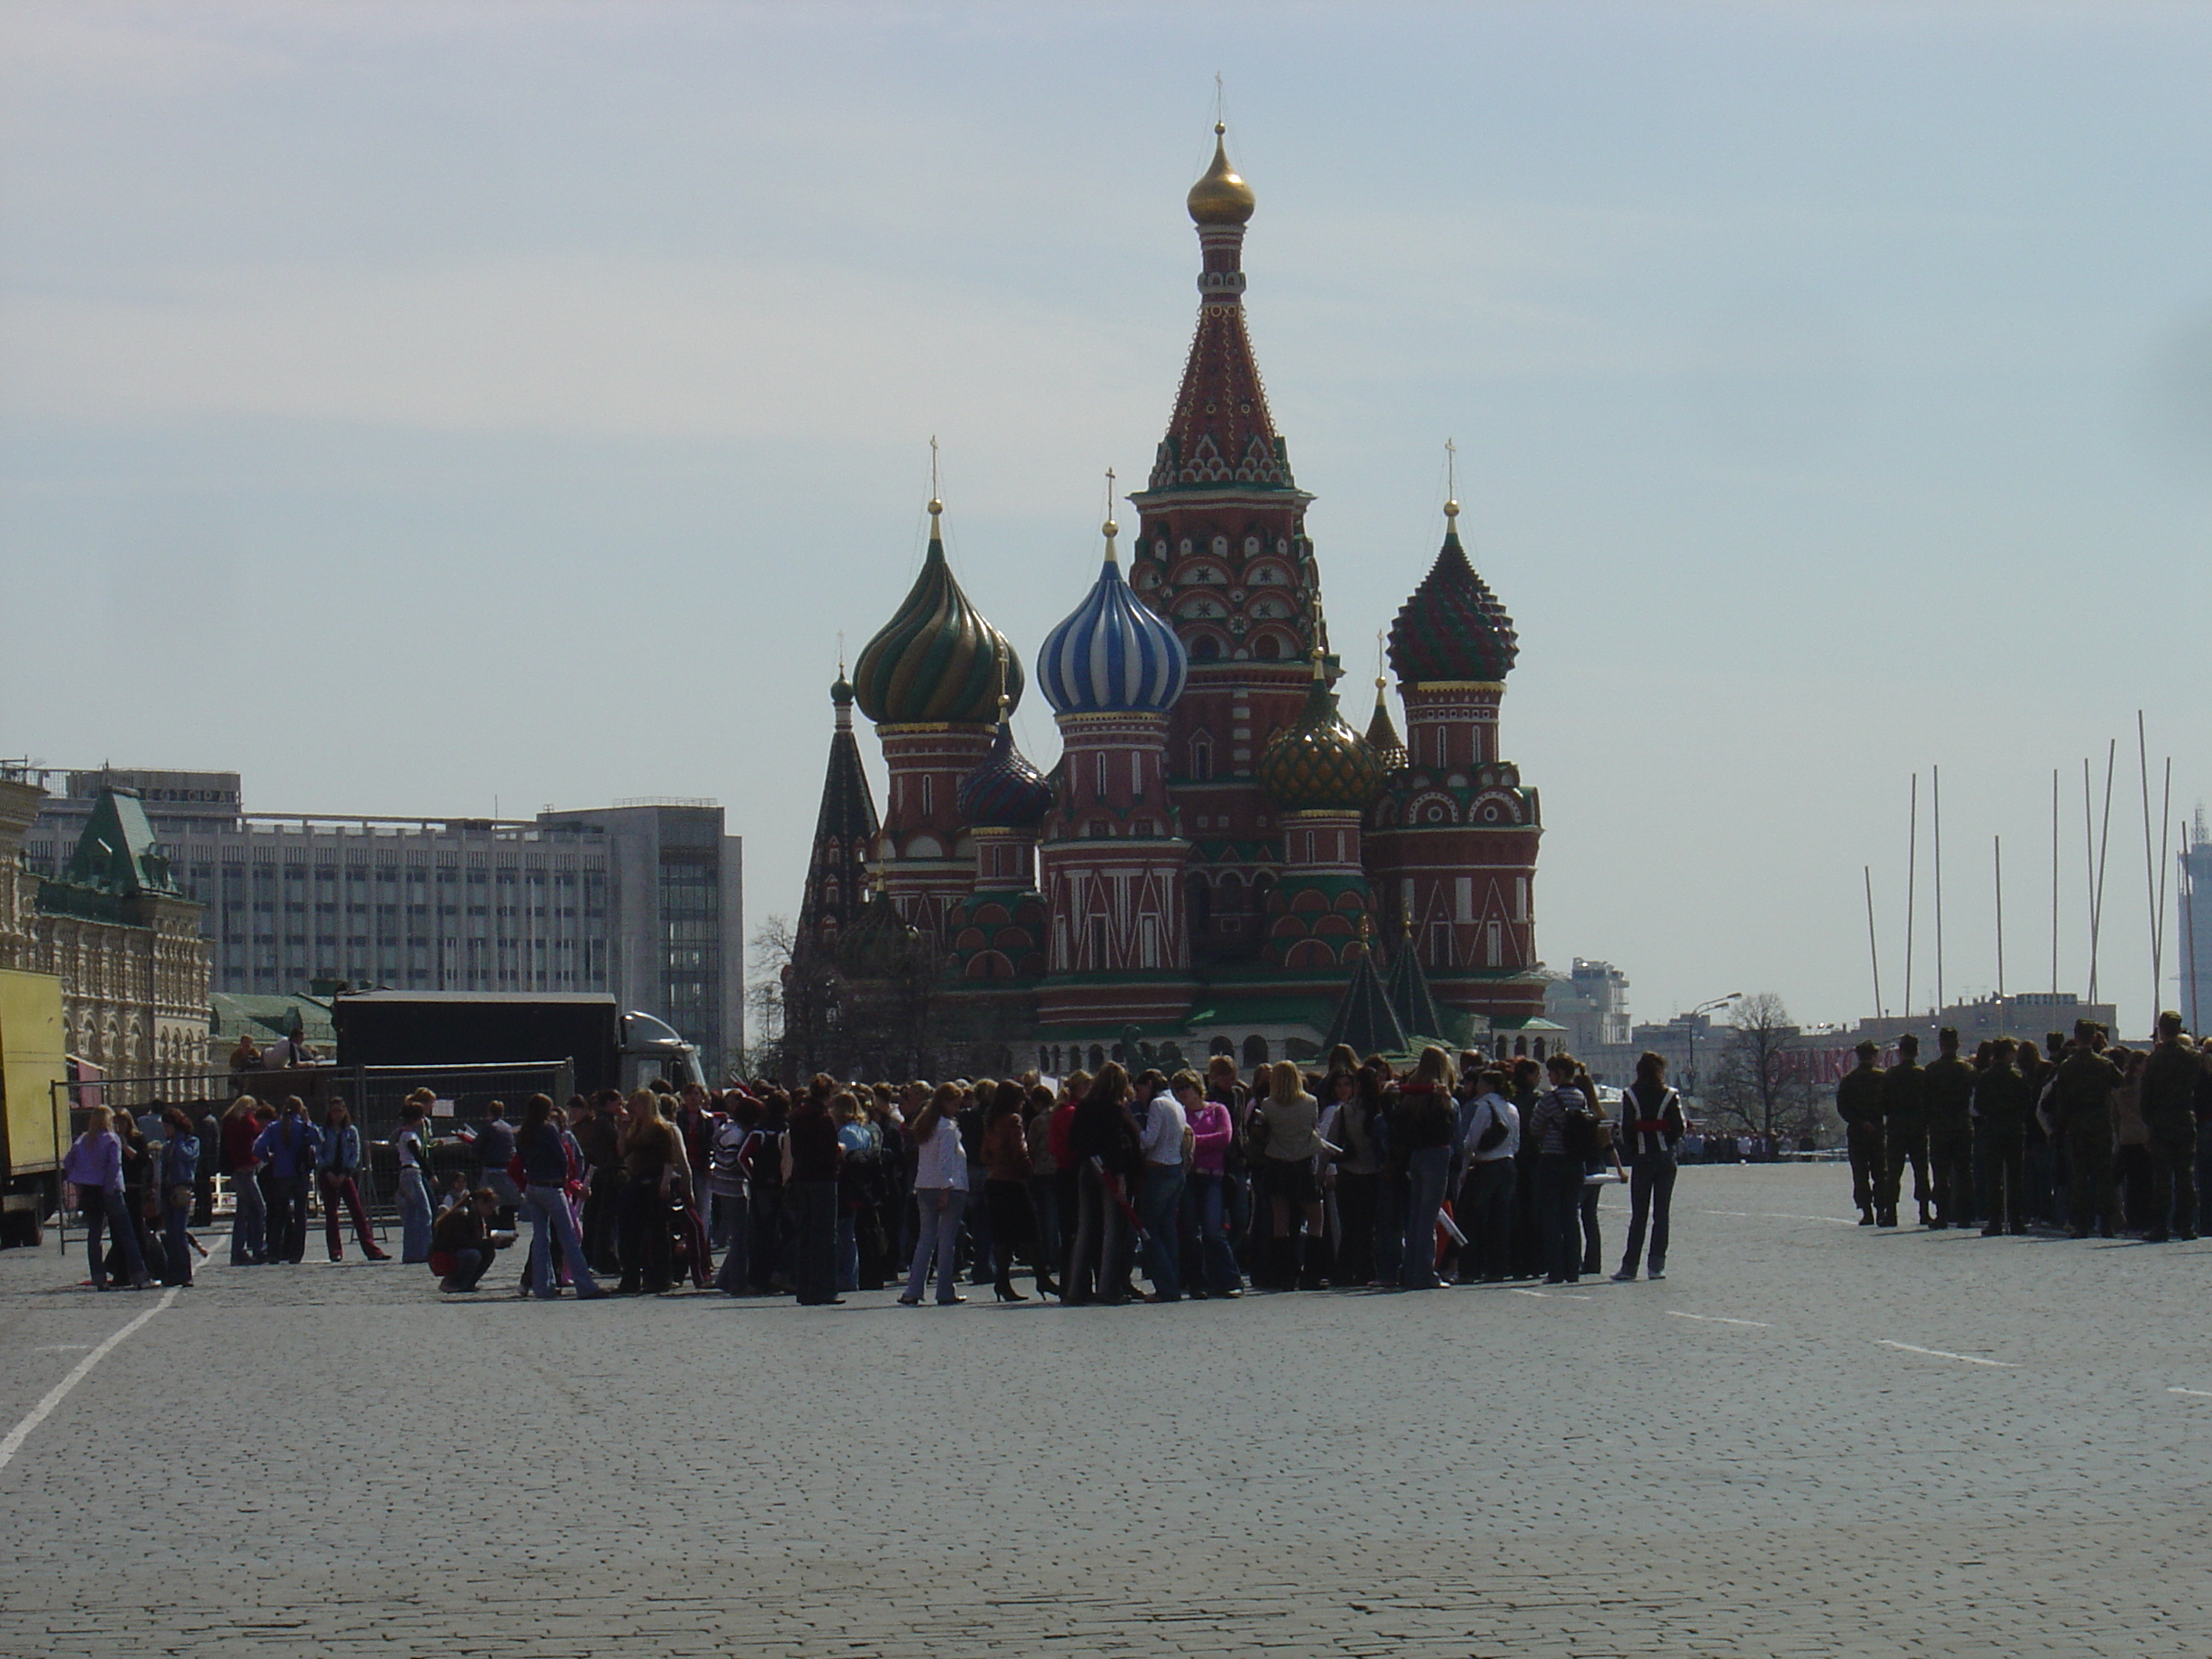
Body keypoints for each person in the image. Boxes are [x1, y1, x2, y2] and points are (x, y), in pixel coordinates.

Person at [515, 1093, 602, 1299]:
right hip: (552, 1187)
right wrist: (564, 1178)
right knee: (568, 1237)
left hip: (533, 1187)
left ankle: (542, 1286)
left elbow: (521, 1158)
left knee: (540, 1239)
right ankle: (585, 1285)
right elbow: (561, 1156)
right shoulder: (548, 1129)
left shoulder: (524, 1132)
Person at [1067, 1065, 1141, 1305]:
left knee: (1086, 1228)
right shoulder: (1114, 1108)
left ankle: (1075, 1288)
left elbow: (1073, 1140)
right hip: (1109, 1170)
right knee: (1111, 1230)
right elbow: (1116, 1144)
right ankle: (1107, 1287)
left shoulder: (1084, 1106)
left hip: (1087, 1166)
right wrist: (1120, 1177)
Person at [1614, 1052, 1685, 1282]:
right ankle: (1656, 1266)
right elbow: (1679, 1127)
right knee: (1661, 1214)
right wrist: (1664, 1137)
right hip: (1665, 1159)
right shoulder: (1670, 1094)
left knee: (1639, 1215)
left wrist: (1636, 1149)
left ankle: (1629, 1267)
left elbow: (1626, 1130)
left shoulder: (1630, 1094)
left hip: (1642, 1160)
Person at [61, 1105, 148, 1291]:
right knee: (126, 1233)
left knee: (94, 1236)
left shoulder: (84, 1139)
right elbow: (114, 1165)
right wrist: (109, 1187)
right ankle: (139, 1275)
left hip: (90, 1191)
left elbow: (68, 1161)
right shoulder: (112, 1139)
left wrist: (78, 1178)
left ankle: (98, 1278)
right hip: (111, 1191)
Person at [1255, 1060, 1324, 1291]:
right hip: (1303, 1163)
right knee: (1315, 1219)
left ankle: (1282, 1274)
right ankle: (1312, 1274)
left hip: (1277, 1162)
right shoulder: (1310, 1102)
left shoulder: (1268, 1105)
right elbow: (1313, 1128)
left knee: (1281, 1221)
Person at [1394, 1047, 1458, 1290]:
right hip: (1437, 1154)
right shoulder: (1440, 1093)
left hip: (1416, 1154)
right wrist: (1447, 1104)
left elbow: (1399, 1122)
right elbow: (1450, 1131)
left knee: (1416, 1216)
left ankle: (1409, 1270)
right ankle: (1425, 1272)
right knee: (1429, 1218)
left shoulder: (1412, 1093)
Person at [2052, 1021, 2122, 1239]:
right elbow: (2119, 1082)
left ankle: (2081, 1224)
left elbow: (2061, 1102)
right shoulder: (2103, 1064)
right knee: (2104, 1177)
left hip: (2077, 1127)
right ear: (2094, 1038)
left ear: (2075, 1037)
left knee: (2080, 1177)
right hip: (2101, 1125)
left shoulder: (2067, 1066)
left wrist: (2059, 1129)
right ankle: (2107, 1224)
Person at [981, 1085, 1052, 1301]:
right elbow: (1019, 1151)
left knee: (1002, 1236)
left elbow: (984, 1152)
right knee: (1031, 1231)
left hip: (994, 1181)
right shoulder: (1013, 1120)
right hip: (1013, 1181)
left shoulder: (991, 1120)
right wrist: (1029, 1171)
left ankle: (1002, 1282)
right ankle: (1042, 1278)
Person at [901, 1082, 969, 1306]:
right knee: (947, 1241)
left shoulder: (925, 1125)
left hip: (924, 1185)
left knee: (926, 1239)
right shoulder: (947, 1128)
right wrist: (946, 1189)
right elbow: (946, 1161)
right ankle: (944, 1290)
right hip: (948, 1187)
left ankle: (913, 1289)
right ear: (944, 1102)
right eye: (955, 1104)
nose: (957, 1109)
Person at [1524, 1053, 1589, 1284]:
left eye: (1551, 1072)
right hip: (1575, 1161)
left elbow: (1534, 1127)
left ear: (1559, 1073)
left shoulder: (1550, 1099)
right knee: (1571, 1216)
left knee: (1551, 1217)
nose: (1549, 1076)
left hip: (1552, 1160)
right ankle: (1573, 1269)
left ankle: (1555, 1270)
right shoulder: (1581, 1097)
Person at [1178, 1070, 1243, 1297]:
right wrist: (1203, 1142)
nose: (1183, 1092)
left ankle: (1230, 1279)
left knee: (1213, 1231)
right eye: (1179, 1089)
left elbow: (1224, 1137)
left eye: (1186, 1087)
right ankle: (1198, 1282)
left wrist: (1193, 1140)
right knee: (1190, 1231)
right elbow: (1178, 1142)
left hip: (1213, 1175)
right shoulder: (1180, 1114)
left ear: (1197, 1088)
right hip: (1188, 1176)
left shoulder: (1216, 1110)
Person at [2139, 1010, 2199, 1243]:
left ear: (2161, 1030)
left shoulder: (2155, 1059)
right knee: (2185, 1175)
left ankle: (2161, 1227)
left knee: (2162, 1177)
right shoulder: (2192, 1057)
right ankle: (2187, 1226)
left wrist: (2149, 1121)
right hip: (2184, 1117)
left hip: (2161, 1121)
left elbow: (2147, 1095)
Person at [1456, 1068, 1519, 1282]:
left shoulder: (1483, 1107)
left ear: (1489, 1086)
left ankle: (1470, 1269)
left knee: (1473, 1219)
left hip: (1486, 1166)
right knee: (1500, 1220)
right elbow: (1516, 1143)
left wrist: (1463, 1171)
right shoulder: (1511, 1108)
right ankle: (1498, 1268)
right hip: (1508, 1165)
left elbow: (1471, 1142)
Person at [616, 1089, 681, 1294]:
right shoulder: (636, 1127)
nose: (632, 1109)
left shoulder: (660, 1128)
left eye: (636, 1105)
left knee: (658, 1231)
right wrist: (621, 1132)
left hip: (654, 1179)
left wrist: (665, 1184)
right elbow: (623, 1153)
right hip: (636, 1179)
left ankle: (661, 1277)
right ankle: (631, 1277)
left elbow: (669, 1159)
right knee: (630, 1232)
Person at [783, 1087, 843, 1306]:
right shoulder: (824, 1119)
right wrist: (839, 1155)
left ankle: (804, 1289)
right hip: (823, 1179)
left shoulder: (796, 1118)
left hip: (802, 1178)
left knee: (806, 1234)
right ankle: (825, 1289)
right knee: (825, 1237)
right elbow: (829, 1153)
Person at [1135, 1070, 1190, 1302]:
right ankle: (1173, 1283)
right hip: (1176, 1169)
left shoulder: (1157, 1104)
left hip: (1159, 1169)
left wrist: (1133, 1125)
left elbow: (1149, 1139)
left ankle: (1165, 1286)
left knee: (1149, 1229)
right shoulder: (1176, 1104)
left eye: (1140, 1090)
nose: (1139, 1096)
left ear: (1149, 1084)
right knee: (1167, 1231)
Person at [1971, 1037, 2032, 1236]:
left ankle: (1995, 1221)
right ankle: (2015, 1220)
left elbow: (1978, 1104)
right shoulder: (2017, 1076)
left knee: (1993, 1178)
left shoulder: (1985, 1077)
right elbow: (2026, 1103)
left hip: (1993, 1128)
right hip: (2014, 1129)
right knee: (2015, 1177)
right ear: (2007, 1054)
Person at [317, 1101, 389, 1262]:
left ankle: (371, 1249)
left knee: (357, 1211)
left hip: (345, 1174)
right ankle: (335, 1250)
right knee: (331, 1214)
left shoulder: (351, 1131)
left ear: (345, 1112)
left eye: (340, 1111)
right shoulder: (323, 1131)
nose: (337, 1114)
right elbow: (318, 1153)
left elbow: (355, 1154)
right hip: (327, 1174)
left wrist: (345, 1173)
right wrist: (328, 1172)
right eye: (334, 1111)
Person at [253, 1096, 322, 1265]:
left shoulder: (274, 1127)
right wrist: (308, 1120)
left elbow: (258, 1147)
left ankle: (274, 1251)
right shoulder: (303, 1127)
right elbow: (319, 1140)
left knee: (279, 1215)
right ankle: (296, 1253)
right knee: (300, 1214)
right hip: (300, 1174)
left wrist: (268, 1158)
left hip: (281, 1174)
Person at [1923, 1027, 1976, 1230]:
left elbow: (1925, 1101)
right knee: (1964, 1173)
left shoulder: (1931, 1070)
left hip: (1939, 1127)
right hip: (1962, 1124)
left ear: (1940, 1045)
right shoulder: (1967, 1069)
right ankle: (1965, 1216)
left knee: (1940, 1173)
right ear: (1958, 1045)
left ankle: (1942, 1215)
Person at [1877, 1033, 1930, 1228]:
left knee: (1893, 1172)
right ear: (1917, 1052)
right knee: (1921, 1170)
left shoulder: (1890, 1075)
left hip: (1896, 1128)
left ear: (1900, 1052)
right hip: (1918, 1127)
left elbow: (1881, 1103)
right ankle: (1924, 1212)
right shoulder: (1922, 1074)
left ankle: (1890, 1213)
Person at [1836, 1040, 1885, 1225]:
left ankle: (1867, 1212)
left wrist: (1860, 1122)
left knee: (1860, 1173)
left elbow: (1843, 1108)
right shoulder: (1882, 1077)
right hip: (1878, 1130)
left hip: (1857, 1132)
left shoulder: (1849, 1080)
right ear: (1873, 1056)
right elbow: (1889, 1103)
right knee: (1880, 1173)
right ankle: (1882, 1210)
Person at [219, 1095, 267, 1266]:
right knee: (259, 1209)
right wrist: (250, 1116)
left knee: (244, 1212)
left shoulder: (230, 1123)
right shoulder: (239, 1124)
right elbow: (256, 1131)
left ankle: (241, 1250)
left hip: (241, 1171)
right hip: (244, 1172)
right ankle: (256, 1248)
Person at [428, 1187, 504, 1293]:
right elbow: (462, 1243)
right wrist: (490, 1242)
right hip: (444, 1256)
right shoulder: (462, 1215)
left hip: (455, 1252)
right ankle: (451, 1282)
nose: (491, 1212)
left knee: (487, 1252)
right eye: (490, 1208)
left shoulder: (475, 1215)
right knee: (472, 1255)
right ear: (480, 1203)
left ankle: (468, 1283)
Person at [157, 1108, 201, 1288]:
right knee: (171, 1233)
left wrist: (179, 1139)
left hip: (182, 1188)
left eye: (167, 1126)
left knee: (180, 1231)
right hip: (168, 1189)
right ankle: (173, 1272)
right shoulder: (167, 1145)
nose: (165, 1130)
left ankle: (186, 1273)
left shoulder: (191, 1141)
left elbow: (187, 1156)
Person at [393, 1094, 435, 1264]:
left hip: (405, 1173)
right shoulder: (410, 1137)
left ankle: (410, 1252)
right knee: (425, 1213)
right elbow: (418, 1156)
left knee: (411, 1216)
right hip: (413, 1173)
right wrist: (431, 1175)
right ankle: (425, 1251)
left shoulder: (402, 1134)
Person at [473, 1099, 520, 1228]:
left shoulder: (488, 1127)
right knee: (507, 1203)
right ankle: (508, 1228)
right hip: (507, 1169)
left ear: (489, 1112)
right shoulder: (508, 1128)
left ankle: (491, 1228)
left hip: (492, 1169)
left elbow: (477, 1147)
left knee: (487, 1200)